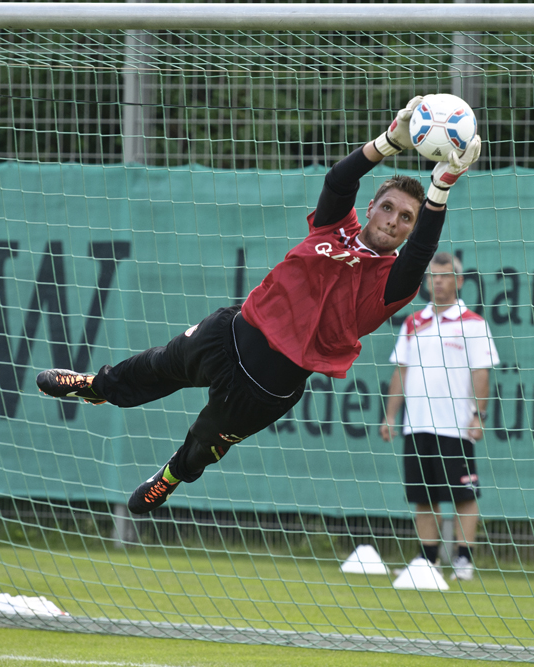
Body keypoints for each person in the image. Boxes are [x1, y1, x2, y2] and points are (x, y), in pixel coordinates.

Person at [37, 96, 482, 515]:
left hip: (271, 383)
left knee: (207, 440)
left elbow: (422, 253)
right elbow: (337, 181)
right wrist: (387, 141)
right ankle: (96, 386)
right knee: (157, 364)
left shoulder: (393, 282)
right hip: (233, 332)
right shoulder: (332, 228)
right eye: (388, 208)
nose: (394, 220)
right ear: (371, 208)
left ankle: (171, 475)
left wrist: (440, 187)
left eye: (406, 218)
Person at [379, 252, 499, 586]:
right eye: (433, 276)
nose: (439, 282)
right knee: (423, 496)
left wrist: (478, 415)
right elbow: (400, 372)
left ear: (459, 281)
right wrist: (390, 416)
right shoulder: (412, 322)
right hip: (416, 425)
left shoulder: (474, 324)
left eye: (445, 276)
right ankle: (427, 560)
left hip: (456, 426)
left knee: (464, 496)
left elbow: (481, 374)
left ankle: (463, 559)